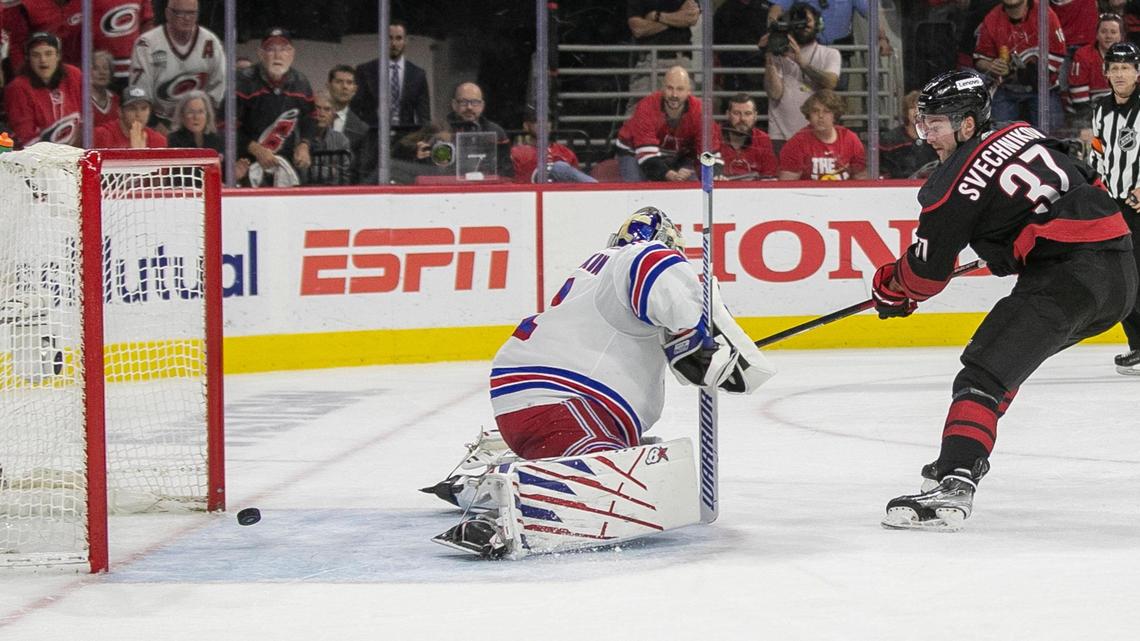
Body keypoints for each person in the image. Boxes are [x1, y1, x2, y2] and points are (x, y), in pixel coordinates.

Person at [430, 207, 774, 557]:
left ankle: (493, 477)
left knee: (633, 461)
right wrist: (697, 332)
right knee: (625, 490)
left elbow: (682, 357)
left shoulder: (598, 273)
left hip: (540, 401)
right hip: (565, 403)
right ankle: (512, 505)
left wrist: (698, 346)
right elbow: (653, 265)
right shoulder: (640, 256)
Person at [874, 69, 1135, 531]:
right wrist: (1026, 236)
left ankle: (955, 482)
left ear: (968, 124)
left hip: (1068, 279)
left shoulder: (949, 185)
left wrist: (891, 287)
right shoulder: (1024, 133)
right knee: (1005, 364)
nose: (926, 135)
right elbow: (1090, 184)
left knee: (983, 375)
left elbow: (925, 277)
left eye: (935, 124)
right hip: (1121, 273)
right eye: (924, 123)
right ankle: (964, 452)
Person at [1088, 41, 1140, 373]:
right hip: (1115, 207)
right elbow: (1097, 151)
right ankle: (1138, 345)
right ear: (1106, 72)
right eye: (1114, 68)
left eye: (1126, 68)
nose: (1119, 74)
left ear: (1138, 71)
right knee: (1125, 280)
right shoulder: (1101, 109)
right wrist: (1096, 188)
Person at [128, 0, 226, 134]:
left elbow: (218, 89)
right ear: (168, 13)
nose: (186, 18)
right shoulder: (147, 43)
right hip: (160, 121)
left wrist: (203, 121)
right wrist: (155, 124)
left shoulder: (210, 42)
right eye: (180, 13)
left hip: (198, 120)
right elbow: (139, 93)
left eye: (191, 13)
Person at [5, 0, 154, 87]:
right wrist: (25, 81)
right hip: (39, 77)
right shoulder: (27, 5)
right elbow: (17, 45)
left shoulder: (85, 4)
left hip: (79, 79)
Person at [351, 19, 430, 183]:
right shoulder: (365, 71)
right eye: (389, 38)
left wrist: (422, 141)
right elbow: (356, 110)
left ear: (406, 41)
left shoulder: (417, 74)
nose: (393, 43)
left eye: (398, 38)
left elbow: (424, 115)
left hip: (405, 142)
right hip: (372, 141)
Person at [233, 28, 314, 185]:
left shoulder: (301, 83)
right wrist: (255, 149)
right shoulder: (243, 82)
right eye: (271, 50)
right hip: (245, 166)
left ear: (292, 54)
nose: (278, 56)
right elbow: (225, 126)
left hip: (286, 165)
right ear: (260, 53)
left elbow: (310, 117)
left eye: (284, 50)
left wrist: (305, 144)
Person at [616, 65, 721, 182]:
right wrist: (668, 174)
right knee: (636, 191)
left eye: (680, 89)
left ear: (688, 91)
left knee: (693, 186)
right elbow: (646, 155)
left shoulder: (700, 111)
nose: (674, 95)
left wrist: (713, 174)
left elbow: (709, 152)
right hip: (633, 151)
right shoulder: (647, 106)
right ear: (663, 88)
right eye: (670, 88)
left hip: (677, 155)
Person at [974, 0, 1067, 131]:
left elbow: (1058, 55)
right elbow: (980, 59)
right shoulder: (992, 19)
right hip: (1007, 89)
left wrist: (1030, 73)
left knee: (1052, 138)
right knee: (998, 136)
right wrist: (991, 65)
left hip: (1044, 89)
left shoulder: (1045, 14)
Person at [763, 2, 841, 154]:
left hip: (817, 133)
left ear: (818, 23)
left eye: (807, 21)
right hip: (780, 134)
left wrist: (801, 62)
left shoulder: (830, 54)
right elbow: (774, 93)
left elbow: (830, 83)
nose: (803, 26)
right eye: (798, 22)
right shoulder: (779, 52)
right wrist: (769, 58)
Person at [2, 32, 81, 148]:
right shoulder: (18, 88)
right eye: (36, 55)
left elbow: (90, 118)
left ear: (58, 56)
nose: (43, 60)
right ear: (28, 58)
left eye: (48, 54)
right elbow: (26, 137)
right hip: (37, 160)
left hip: (78, 153)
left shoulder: (74, 75)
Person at [625, 0, 702, 109]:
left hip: (680, 62)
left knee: (685, 116)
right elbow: (638, 29)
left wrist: (657, 16)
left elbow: (691, 18)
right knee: (639, 116)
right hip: (648, 63)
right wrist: (677, 18)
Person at [778, 89, 868, 180]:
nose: (820, 116)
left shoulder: (850, 139)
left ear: (835, 115)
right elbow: (787, 184)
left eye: (826, 111)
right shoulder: (797, 143)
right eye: (815, 111)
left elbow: (861, 177)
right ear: (809, 115)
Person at [768, 0, 895, 54]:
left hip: (840, 51)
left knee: (837, 101)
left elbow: (871, 14)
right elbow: (777, 8)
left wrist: (882, 38)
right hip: (804, 50)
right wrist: (772, 28)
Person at [1066, 12, 1124, 130]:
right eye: (1104, 32)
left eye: (1113, 32)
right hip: (1088, 117)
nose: (1108, 36)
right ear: (1096, 35)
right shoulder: (1083, 56)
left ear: (1121, 36)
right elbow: (1080, 101)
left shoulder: (1130, 57)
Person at [444, 81, 514, 179]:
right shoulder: (442, 130)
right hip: (449, 189)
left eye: (475, 102)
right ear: (454, 104)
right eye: (464, 102)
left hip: (486, 190)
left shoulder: (496, 132)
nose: (469, 107)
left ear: (482, 105)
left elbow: (506, 172)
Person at [510, 107, 597, 183]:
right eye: (536, 121)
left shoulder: (565, 152)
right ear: (526, 126)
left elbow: (575, 181)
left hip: (563, 197)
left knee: (560, 167)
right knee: (559, 167)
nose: (543, 125)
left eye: (547, 121)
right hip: (529, 197)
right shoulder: (516, 153)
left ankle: (597, 188)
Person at [713, 0, 772, 102]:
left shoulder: (767, 8)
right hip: (733, 73)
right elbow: (717, 44)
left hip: (761, 71)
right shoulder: (724, 10)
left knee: (760, 107)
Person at [879, 90, 939, 179]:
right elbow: (883, 173)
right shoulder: (890, 140)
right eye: (912, 108)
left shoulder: (938, 138)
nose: (917, 112)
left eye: (921, 108)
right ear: (906, 112)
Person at [718, 93, 778, 179]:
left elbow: (770, 176)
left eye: (748, 113)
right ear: (728, 114)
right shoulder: (713, 136)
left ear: (755, 116)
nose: (742, 118)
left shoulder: (763, 139)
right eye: (736, 113)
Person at [304, 89, 353, 186]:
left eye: (327, 109)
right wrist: (330, 170)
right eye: (317, 108)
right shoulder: (299, 138)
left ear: (333, 113)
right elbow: (300, 174)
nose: (321, 114)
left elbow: (344, 177)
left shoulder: (341, 141)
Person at [93, 85, 167, 148]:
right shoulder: (102, 135)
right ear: (120, 112)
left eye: (144, 108)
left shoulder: (158, 141)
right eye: (132, 109)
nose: (138, 114)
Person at [90, 50, 120, 129]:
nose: (102, 72)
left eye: (105, 68)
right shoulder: (81, 100)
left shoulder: (116, 99)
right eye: (96, 68)